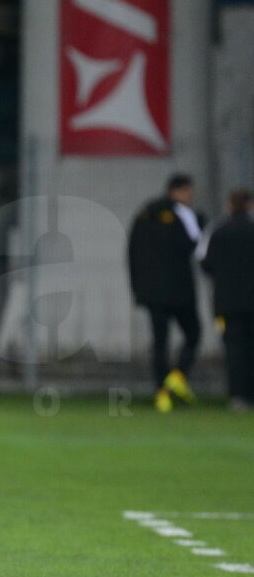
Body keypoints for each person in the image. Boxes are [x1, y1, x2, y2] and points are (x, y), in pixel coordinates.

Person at [127, 173, 205, 413]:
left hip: (151, 293)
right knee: (193, 332)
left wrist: (138, 288)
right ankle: (178, 376)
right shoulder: (184, 214)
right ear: (177, 191)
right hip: (179, 291)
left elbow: (132, 253)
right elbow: (198, 245)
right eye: (188, 192)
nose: (190, 197)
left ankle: (161, 393)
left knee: (160, 342)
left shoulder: (144, 213)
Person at [198, 189, 254, 410]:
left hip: (226, 303)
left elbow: (204, 262)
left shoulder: (217, 230)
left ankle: (237, 397)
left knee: (234, 349)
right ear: (249, 204)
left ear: (230, 205)